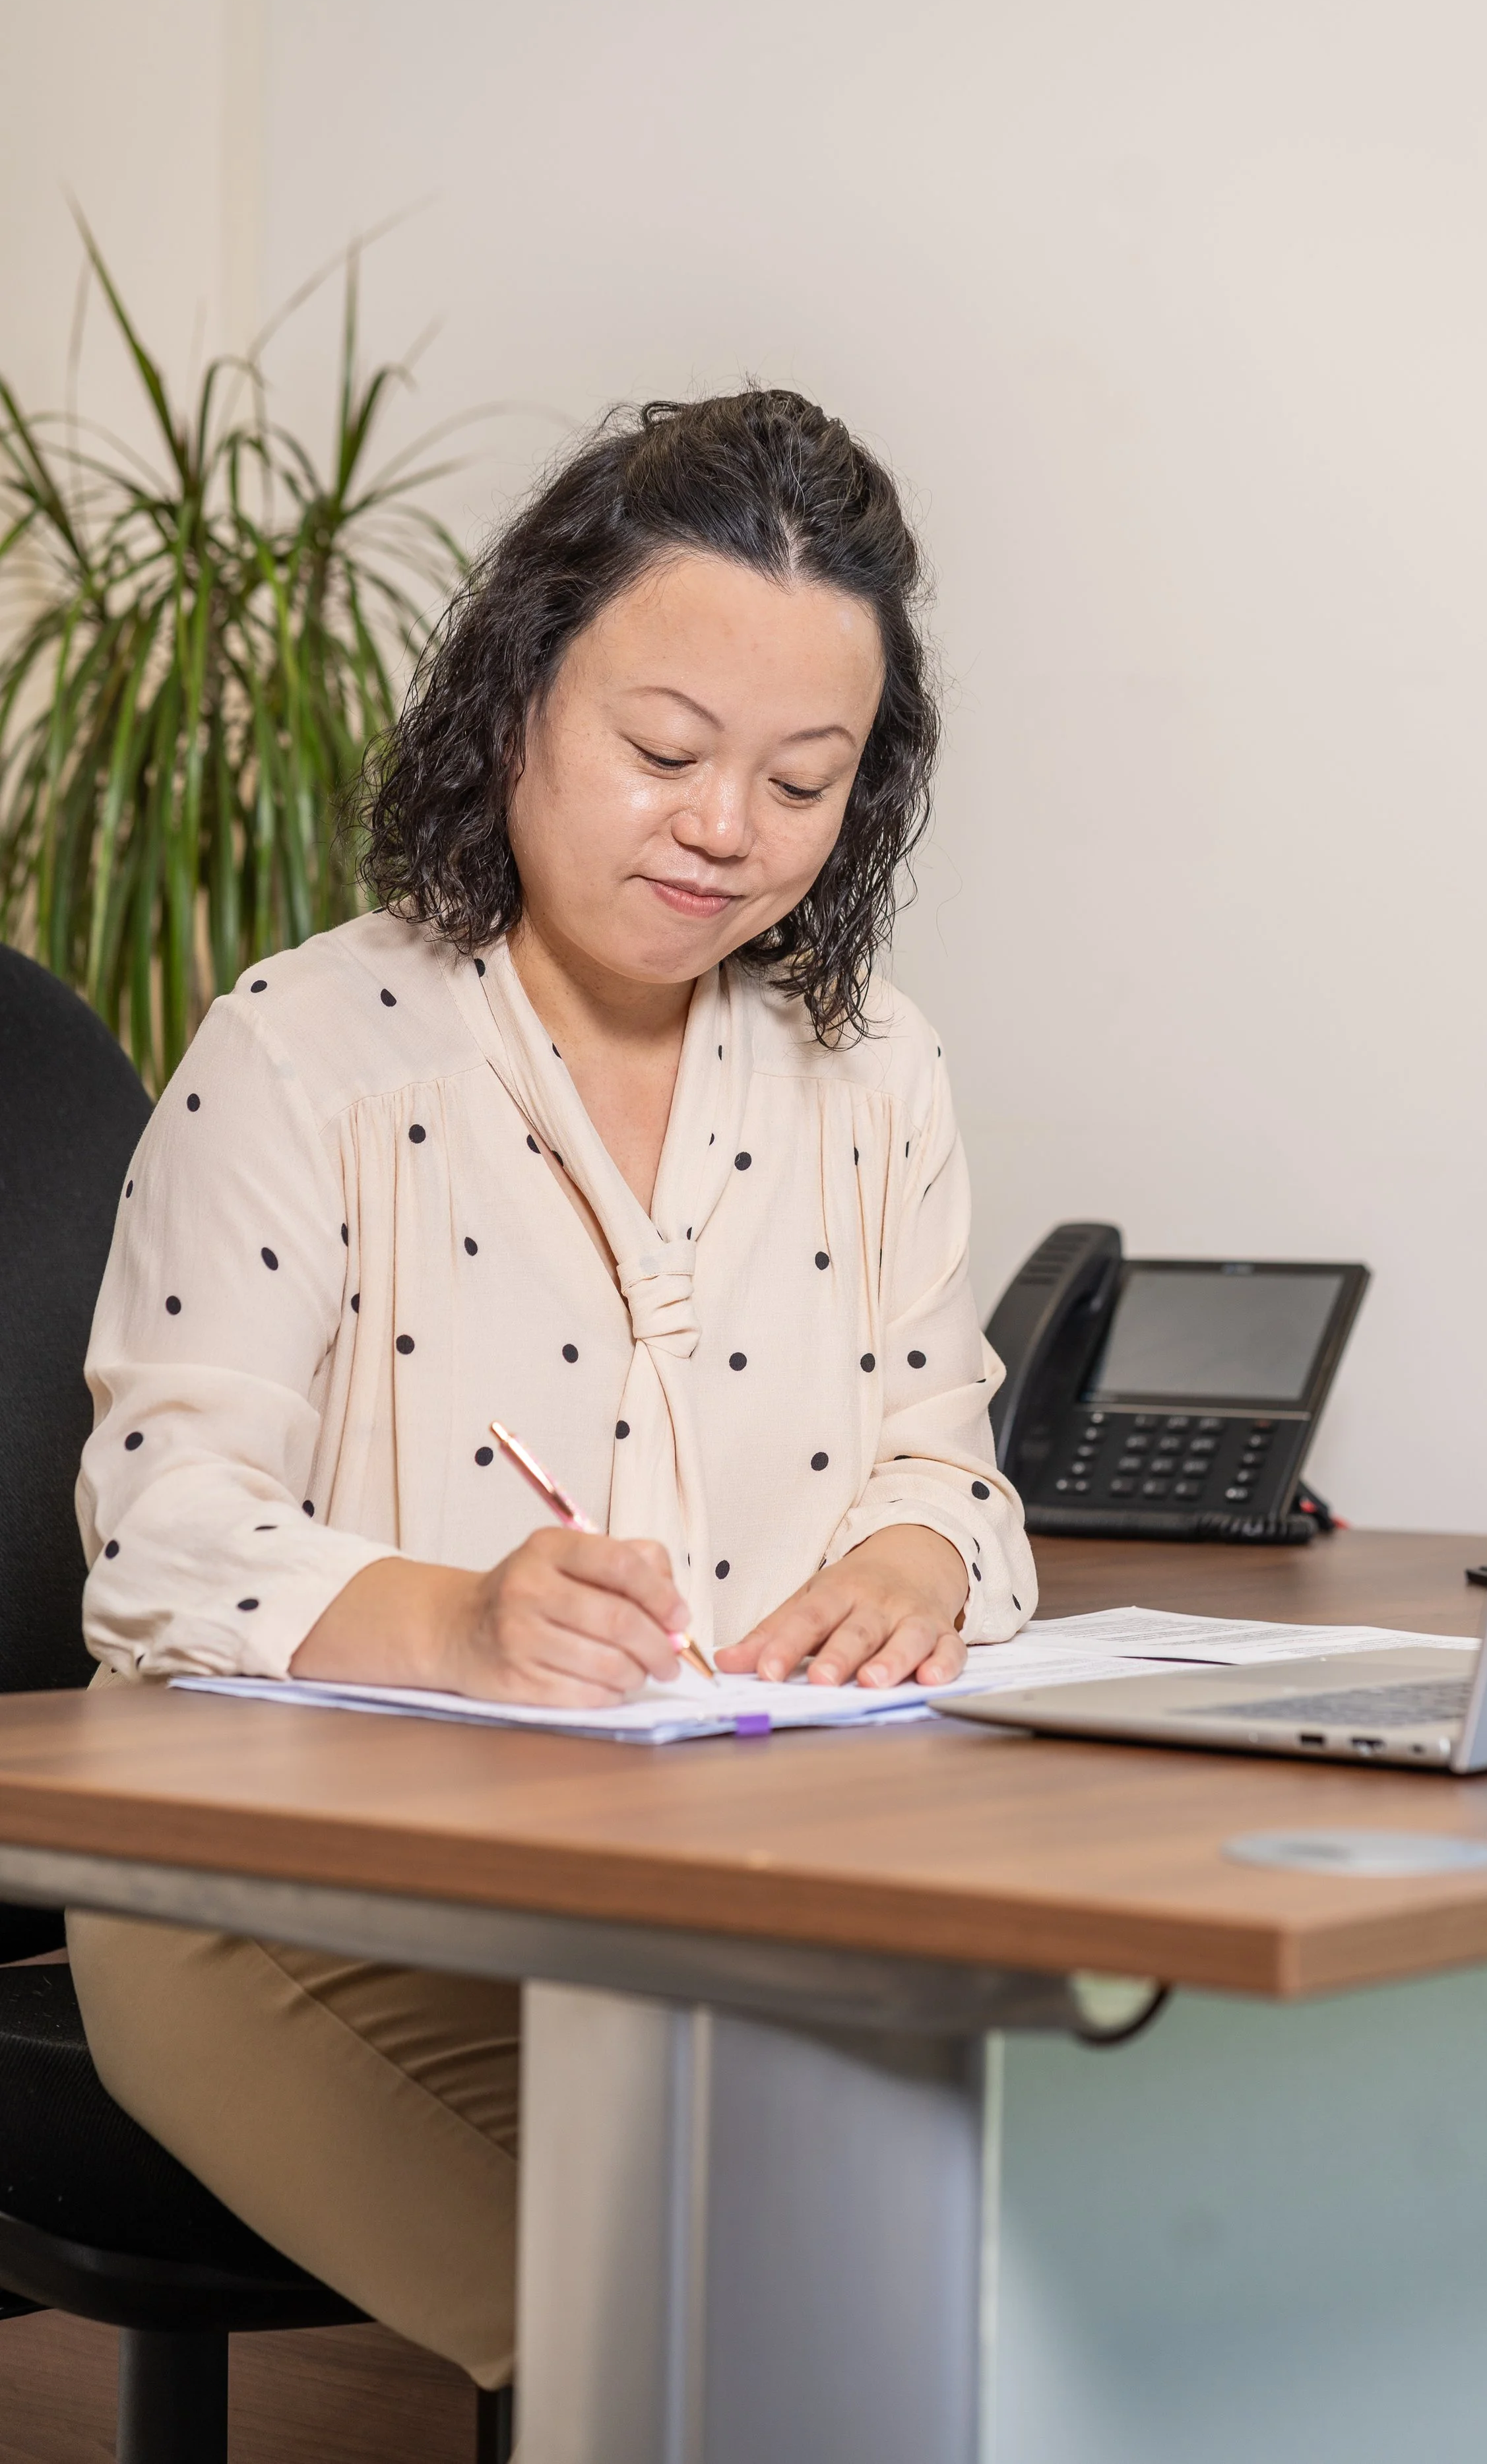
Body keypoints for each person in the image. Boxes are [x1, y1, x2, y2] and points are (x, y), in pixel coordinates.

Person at [67, 389, 1037, 2392]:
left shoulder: (880, 1076)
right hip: (280, 1896)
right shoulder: (309, 1055)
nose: (722, 828)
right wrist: (460, 1620)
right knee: (750, 2335)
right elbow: (161, 1527)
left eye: (802, 779)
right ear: (516, 697)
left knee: (1010, 2273)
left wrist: (918, 1552)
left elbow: (951, 1452)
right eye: (664, 751)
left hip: (712, 1894)